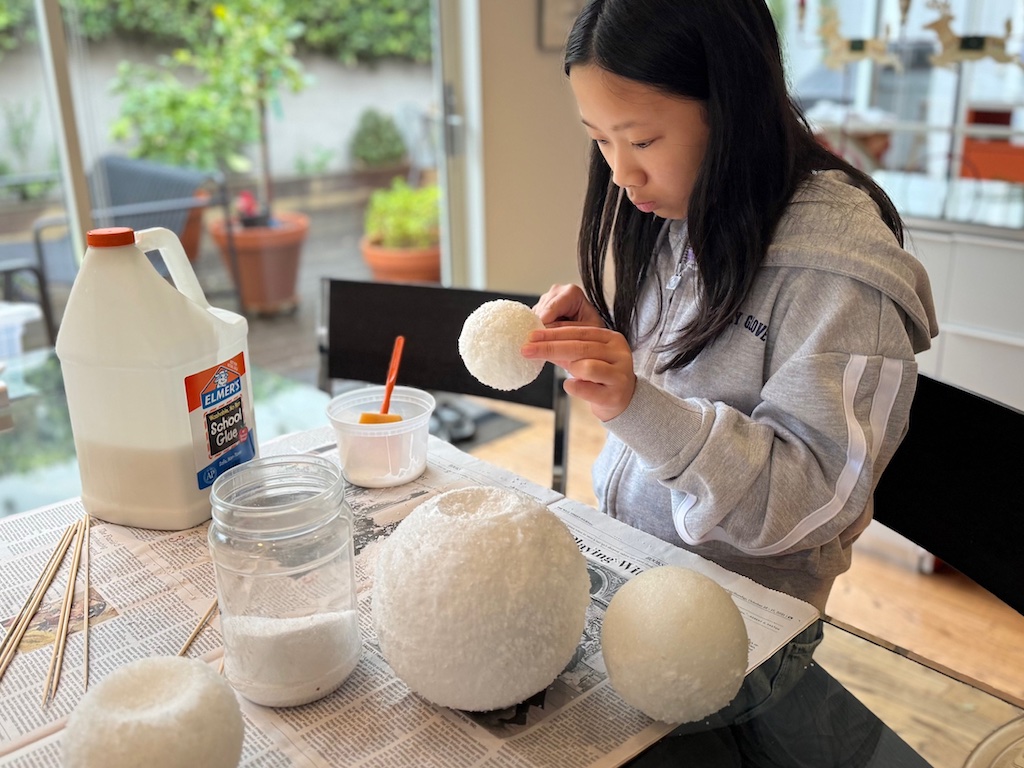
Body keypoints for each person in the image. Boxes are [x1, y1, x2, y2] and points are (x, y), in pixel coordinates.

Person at [521, 0, 939, 615]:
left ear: (732, 106)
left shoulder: (838, 273)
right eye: (600, 140)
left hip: (745, 619)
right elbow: (688, 383)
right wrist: (607, 352)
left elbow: (806, 499)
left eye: (641, 140)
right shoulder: (682, 210)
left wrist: (635, 406)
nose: (621, 173)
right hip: (639, 567)